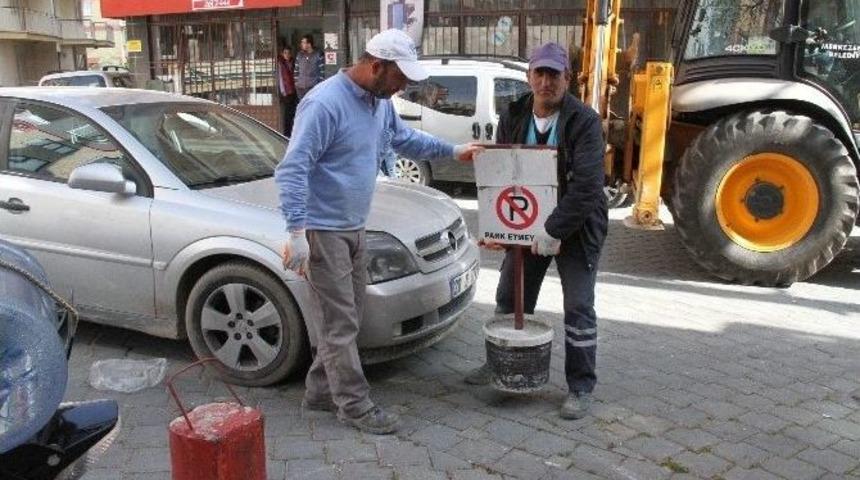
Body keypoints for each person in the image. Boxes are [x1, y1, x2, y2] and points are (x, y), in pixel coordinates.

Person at [275, 29, 482, 434]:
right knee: (340, 323)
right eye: (399, 77)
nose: (402, 86)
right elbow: (293, 168)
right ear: (376, 66)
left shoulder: (378, 102)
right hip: (324, 231)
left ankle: (320, 393)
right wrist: (297, 231)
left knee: (345, 318)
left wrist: (453, 151)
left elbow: (403, 138)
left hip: (354, 228)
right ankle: (355, 406)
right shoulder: (323, 103)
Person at [463, 42, 608, 420]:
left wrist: (554, 229)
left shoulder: (585, 121)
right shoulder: (514, 114)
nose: (546, 82)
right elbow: (503, 173)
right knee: (510, 296)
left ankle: (580, 386)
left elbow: (588, 186)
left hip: (577, 227)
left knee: (578, 306)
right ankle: (500, 364)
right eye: (539, 73)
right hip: (528, 224)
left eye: (554, 75)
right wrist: (499, 230)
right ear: (529, 77)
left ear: (567, 78)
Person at [294, 34, 325, 100]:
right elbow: (296, 71)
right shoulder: (299, 55)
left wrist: (319, 85)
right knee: (302, 104)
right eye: (301, 42)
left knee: (313, 104)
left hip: (313, 86)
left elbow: (322, 72)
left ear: (309, 44)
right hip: (300, 87)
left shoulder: (318, 55)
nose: (301, 44)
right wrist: (297, 83)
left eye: (303, 42)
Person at [277, 45, 298, 136]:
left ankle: (293, 133)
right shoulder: (280, 64)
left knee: (293, 113)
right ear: (282, 54)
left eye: (289, 53)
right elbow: (280, 79)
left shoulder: (293, 62)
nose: (287, 55)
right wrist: (283, 92)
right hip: (286, 92)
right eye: (285, 53)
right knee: (286, 115)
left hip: (294, 91)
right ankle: (286, 134)